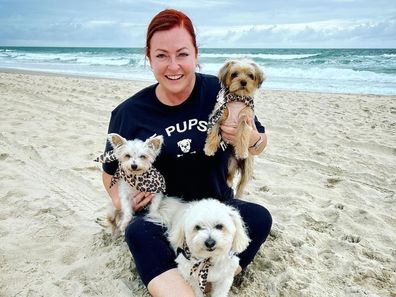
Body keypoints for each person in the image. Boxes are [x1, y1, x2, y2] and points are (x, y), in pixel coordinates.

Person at [101, 9, 272, 297]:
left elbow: (259, 142)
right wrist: (119, 198)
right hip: (165, 212)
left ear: (196, 53)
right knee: (139, 233)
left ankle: (209, 273)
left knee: (259, 217)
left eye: (182, 54)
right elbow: (109, 174)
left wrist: (254, 139)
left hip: (215, 210)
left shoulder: (221, 92)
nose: (173, 66)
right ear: (148, 57)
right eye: (161, 56)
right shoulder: (129, 113)